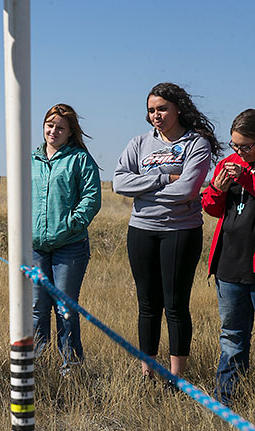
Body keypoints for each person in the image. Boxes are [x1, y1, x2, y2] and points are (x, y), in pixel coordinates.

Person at [113, 82, 221, 385]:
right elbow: (119, 183)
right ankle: (147, 371)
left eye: (162, 109)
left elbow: (187, 189)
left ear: (177, 109)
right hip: (141, 230)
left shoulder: (195, 144)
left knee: (175, 304)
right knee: (147, 304)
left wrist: (144, 188)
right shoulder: (138, 144)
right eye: (151, 110)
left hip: (180, 232)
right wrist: (162, 177)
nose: (155, 115)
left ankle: (176, 377)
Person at [32, 103, 101, 372]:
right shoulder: (31, 159)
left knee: (65, 307)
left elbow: (91, 198)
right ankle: (36, 363)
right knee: (37, 307)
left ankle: (70, 366)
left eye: (60, 127)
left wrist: (72, 223)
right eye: (50, 125)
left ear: (70, 132)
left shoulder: (79, 159)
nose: (54, 131)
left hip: (70, 246)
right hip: (36, 247)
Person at [201, 109, 255, 406]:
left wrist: (247, 179)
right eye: (234, 146)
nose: (238, 152)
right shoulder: (229, 164)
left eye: (245, 146)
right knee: (233, 337)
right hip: (229, 266)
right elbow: (210, 207)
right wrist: (216, 189)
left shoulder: (245, 171)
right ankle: (226, 400)